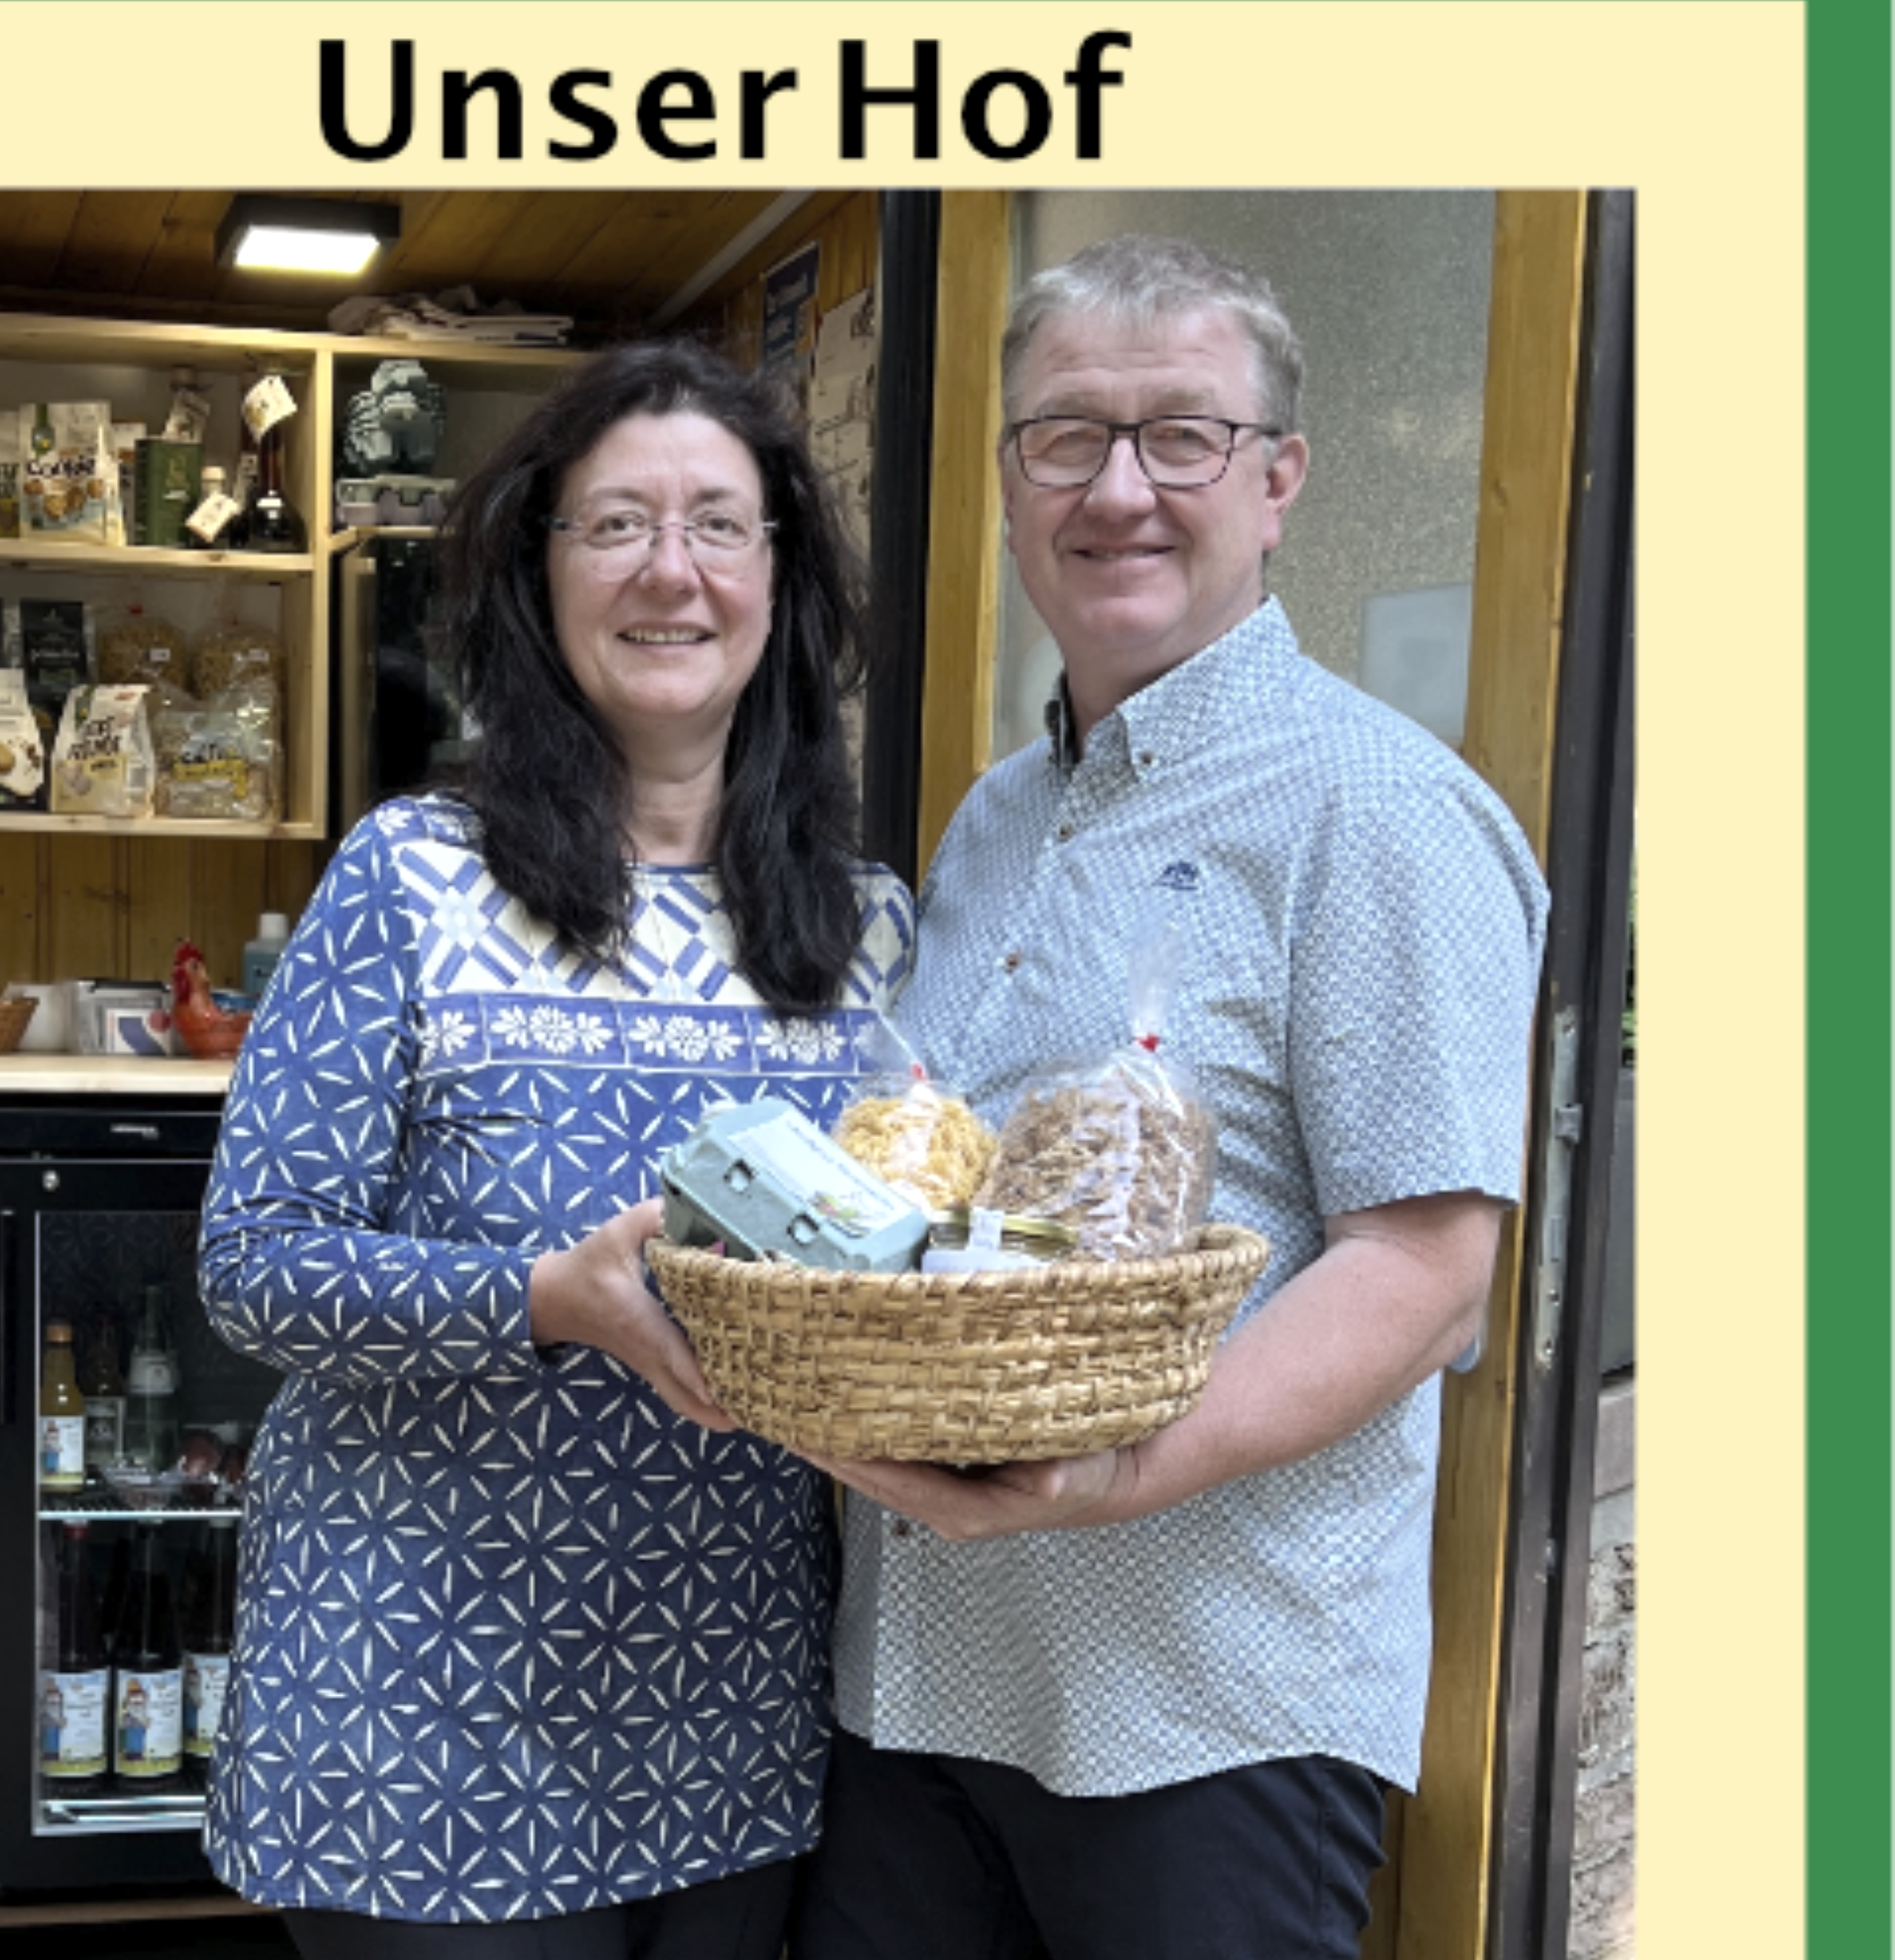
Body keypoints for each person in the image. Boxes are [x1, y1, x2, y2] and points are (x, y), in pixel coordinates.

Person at [788, 236, 1551, 1959]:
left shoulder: (1378, 811)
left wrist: (1108, 1472)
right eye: (1065, 436)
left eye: (1181, 437)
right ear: (1008, 489)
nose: (1118, 489)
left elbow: (1423, 1271)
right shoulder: (994, 814)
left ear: (1277, 482)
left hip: (1204, 1712)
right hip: (920, 1687)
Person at [196, 339, 916, 1958]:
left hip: (726, 1711)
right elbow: (253, 1264)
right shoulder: (410, 878)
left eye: (717, 524)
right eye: (615, 524)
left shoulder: (865, 928)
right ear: (540, 571)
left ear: (780, 578)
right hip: (412, 1713)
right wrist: (541, 1300)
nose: (670, 569)